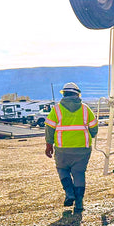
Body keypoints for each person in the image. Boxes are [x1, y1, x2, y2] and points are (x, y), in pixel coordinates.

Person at [44, 82, 98, 212]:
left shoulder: (56, 110)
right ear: (77, 94)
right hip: (83, 149)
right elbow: (94, 128)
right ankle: (79, 204)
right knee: (79, 174)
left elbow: (49, 128)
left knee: (62, 169)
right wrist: (91, 134)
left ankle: (69, 193)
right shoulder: (85, 109)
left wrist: (49, 145)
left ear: (64, 94)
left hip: (62, 149)